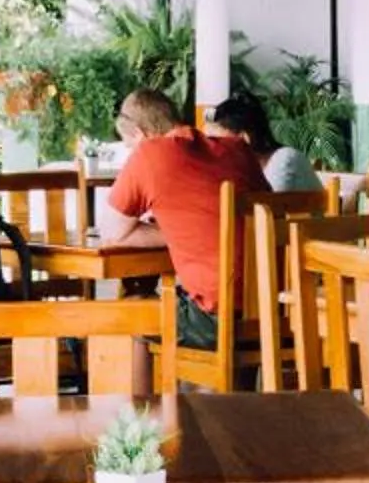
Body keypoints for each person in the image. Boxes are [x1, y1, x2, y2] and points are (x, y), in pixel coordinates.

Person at [95, 88, 262, 350]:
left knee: (132, 313)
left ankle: (146, 394)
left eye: (129, 145)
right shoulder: (238, 149)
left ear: (139, 134)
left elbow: (112, 232)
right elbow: (265, 218)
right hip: (272, 309)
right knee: (177, 299)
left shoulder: (150, 153)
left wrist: (176, 233)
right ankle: (221, 391)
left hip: (216, 320)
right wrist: (193, 229)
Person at [207, 90, 319, 194]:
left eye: (217, 141)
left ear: (244, 139)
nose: (212, 147)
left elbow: (263, 208)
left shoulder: (285, 160)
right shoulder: (242, 170)